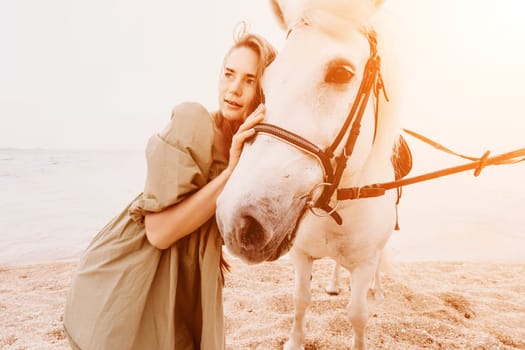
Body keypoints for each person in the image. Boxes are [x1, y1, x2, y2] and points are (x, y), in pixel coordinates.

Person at [63, 26, 277, 350]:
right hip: (135, 270)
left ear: (264, 90)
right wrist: (231, 172)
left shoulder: (250, 149)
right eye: (229, 74)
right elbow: (159, 232)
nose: (234, 88)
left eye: (249, 80)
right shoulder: (193, 122)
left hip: (189, 282)